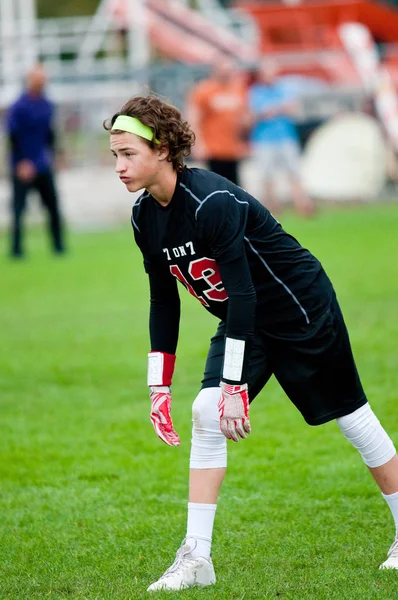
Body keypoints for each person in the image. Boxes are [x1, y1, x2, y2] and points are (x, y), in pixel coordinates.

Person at [105, 95, 398, 591]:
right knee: (205, 411)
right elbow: (164, 302)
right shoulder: (143, 217)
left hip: (299, 308)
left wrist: (236, 383)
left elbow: (242, 291)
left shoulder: (212, 201)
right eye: (114, 154)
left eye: (128, 153)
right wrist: (159, 385)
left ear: (162, 149)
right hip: (246, 321)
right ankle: (197, 558)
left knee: (350, 415)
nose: (119, 166)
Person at [6, 63, 66, 258]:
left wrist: (57, 155)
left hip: (42, 164)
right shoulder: (18, 106)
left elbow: (50, 134)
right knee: (18, 210)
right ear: (31, 81)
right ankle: (16, 250)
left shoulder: (47, 104)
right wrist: (21, 162)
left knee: (53, 206)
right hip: (23, 165)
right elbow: (13, 137)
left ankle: (58, 247)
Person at [248, 62, 314, 217]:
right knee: (267, 175)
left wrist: (272, 110)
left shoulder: (284, 89)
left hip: (286, 137)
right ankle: (272, 208)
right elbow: (256, 114)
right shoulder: (255, 92)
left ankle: (303, 206)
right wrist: (278, 109)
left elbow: (292, 108)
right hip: (264, 140)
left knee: (294, 173)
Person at [186, 59, 248, 185]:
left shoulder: (238, 89)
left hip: (232, 149)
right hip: (213, 149)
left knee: (235, 188)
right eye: (224, 71)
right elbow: (193, 118)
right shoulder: (204, 90)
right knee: (216, 186)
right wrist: (198, 144)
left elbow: (245, 117)